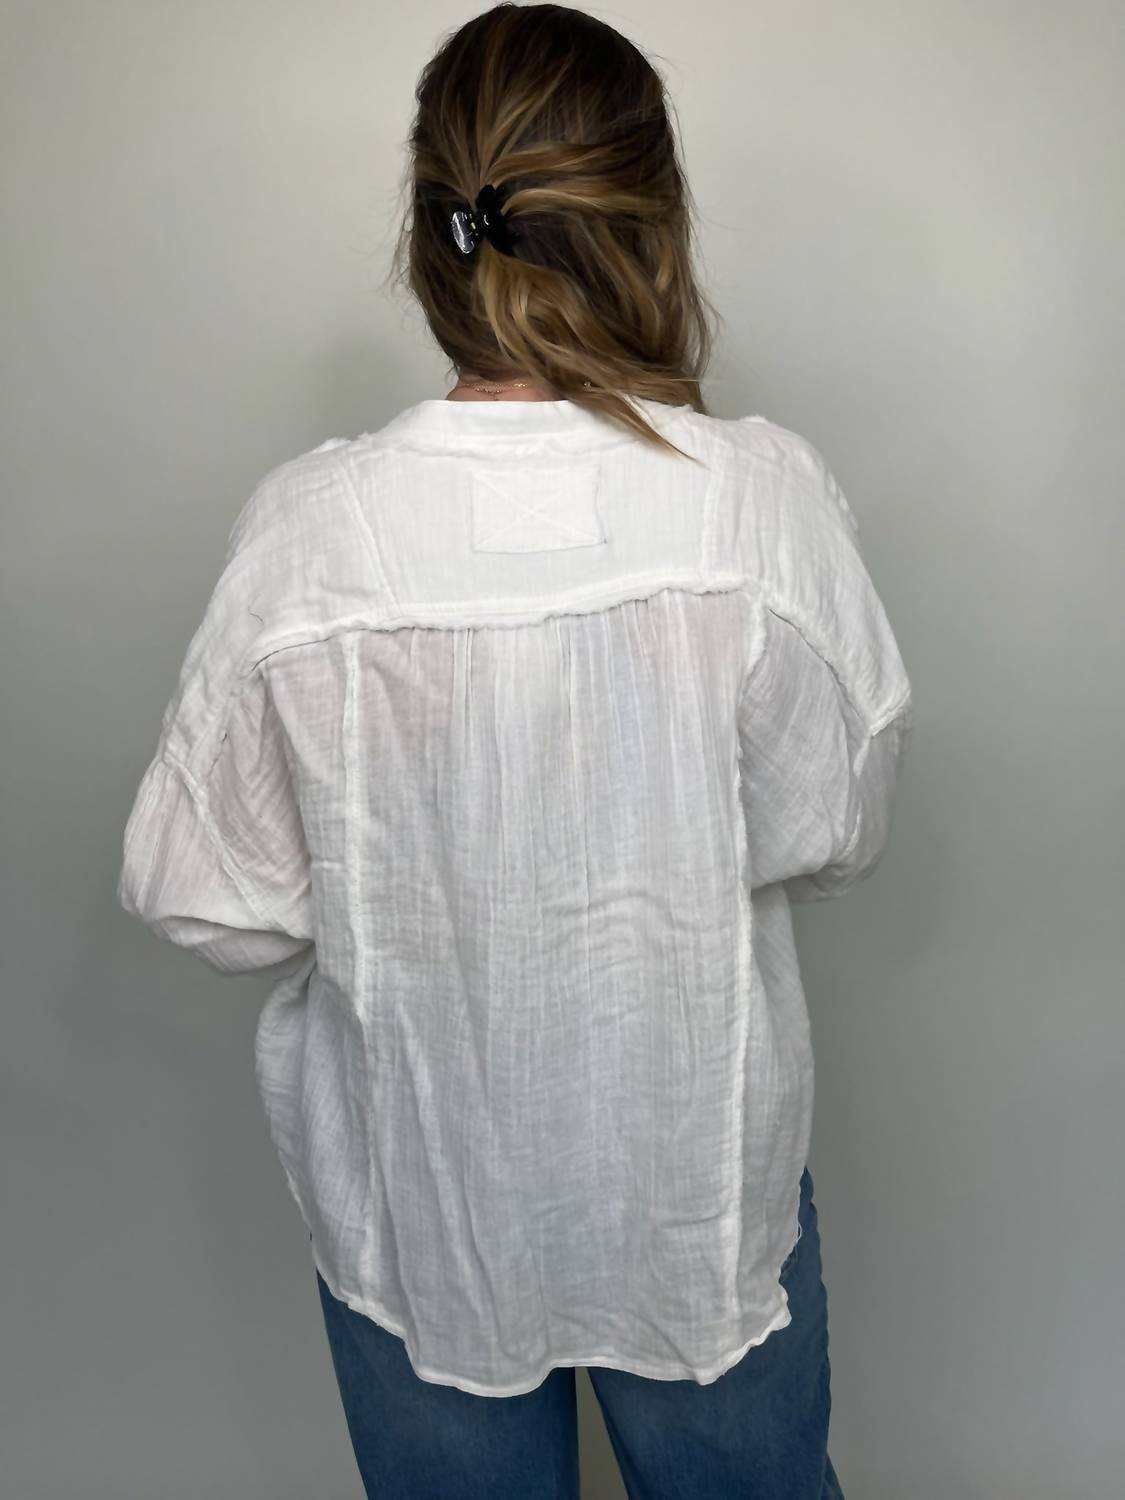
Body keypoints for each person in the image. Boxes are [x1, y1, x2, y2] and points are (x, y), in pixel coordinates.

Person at [116, 4, 914, 1496]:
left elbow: (204, 895)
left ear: (434, 234)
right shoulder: (756, 507)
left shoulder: (313, 537)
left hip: (419, 1198)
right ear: (652, 228)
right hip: (693, 1186)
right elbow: (833, 824)